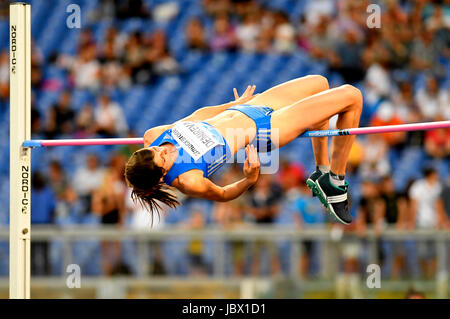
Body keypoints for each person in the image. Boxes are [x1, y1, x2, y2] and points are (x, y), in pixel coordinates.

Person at [125, 75, 364, 225]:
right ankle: (335, 181)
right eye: (161, 158)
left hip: (250, 108)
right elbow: (223, 195)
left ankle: (321, 171)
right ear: (159, 176)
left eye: (157, 150)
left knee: (320, 83)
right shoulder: (188, 179)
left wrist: (233, 105)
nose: (163, 151)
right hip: (265, 130)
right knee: (352, 96)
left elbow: (196, 117)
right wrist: (249, 179)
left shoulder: (153, 136)